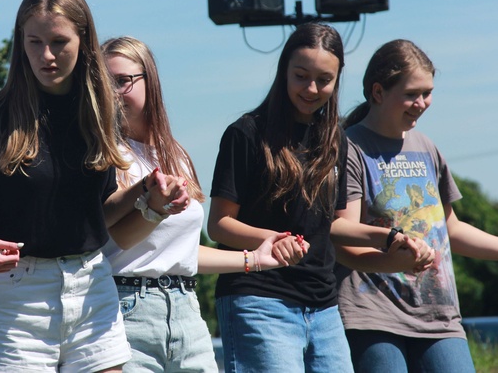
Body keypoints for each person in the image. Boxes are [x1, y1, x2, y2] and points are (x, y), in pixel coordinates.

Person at [0, 0, 189, 373]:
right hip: (19, 296)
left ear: (83, 39)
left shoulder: (101, 113)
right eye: (34, 42)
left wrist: (146, 195)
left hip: (94, 287)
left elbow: (98, 214)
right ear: (20, 42)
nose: (46, 55)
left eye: (59, 42)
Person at [206, 23, 428, 373]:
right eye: (301, 76)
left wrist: (391, 238)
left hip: (324, 307)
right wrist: (272, 241)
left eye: (324, 79)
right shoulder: (246, 134)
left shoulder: (334, 140)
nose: (311, 88)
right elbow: (219, 224)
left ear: (337, 81)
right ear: (283, 72)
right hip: (258, 299)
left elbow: (336, 226)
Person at [100, 36, 309, 373]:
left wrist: (255, 258)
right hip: (125, 311)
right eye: (102, 82)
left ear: (149, 82)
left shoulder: (176, 154)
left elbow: (181, 253)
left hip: (187, 311)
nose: (112, 92)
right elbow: (117, 240)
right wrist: (155, 206)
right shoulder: (103, 156)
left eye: (122, 81)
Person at [336, 39, 498, 372]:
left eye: (428, 92)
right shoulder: (349, 148)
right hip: (373, 316)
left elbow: (450, 229)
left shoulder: (427, 148)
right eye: (411, 94)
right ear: (378, 92)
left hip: (438, 316)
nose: (422, 103)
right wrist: (393, 252)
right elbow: (342, 236)